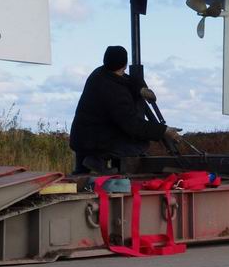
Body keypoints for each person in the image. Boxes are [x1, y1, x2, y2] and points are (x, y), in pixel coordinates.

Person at [69, 45, 181, 175]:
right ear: (125, 65)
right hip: (93, 142)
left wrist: (141, 89)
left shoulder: (99, 73)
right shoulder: (115, 92)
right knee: (140, 145)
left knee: (84, 169)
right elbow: (133, 125)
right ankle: (96, 159)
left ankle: (88, 164)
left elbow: (127, 80)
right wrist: (164, 131)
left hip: (82, 139)